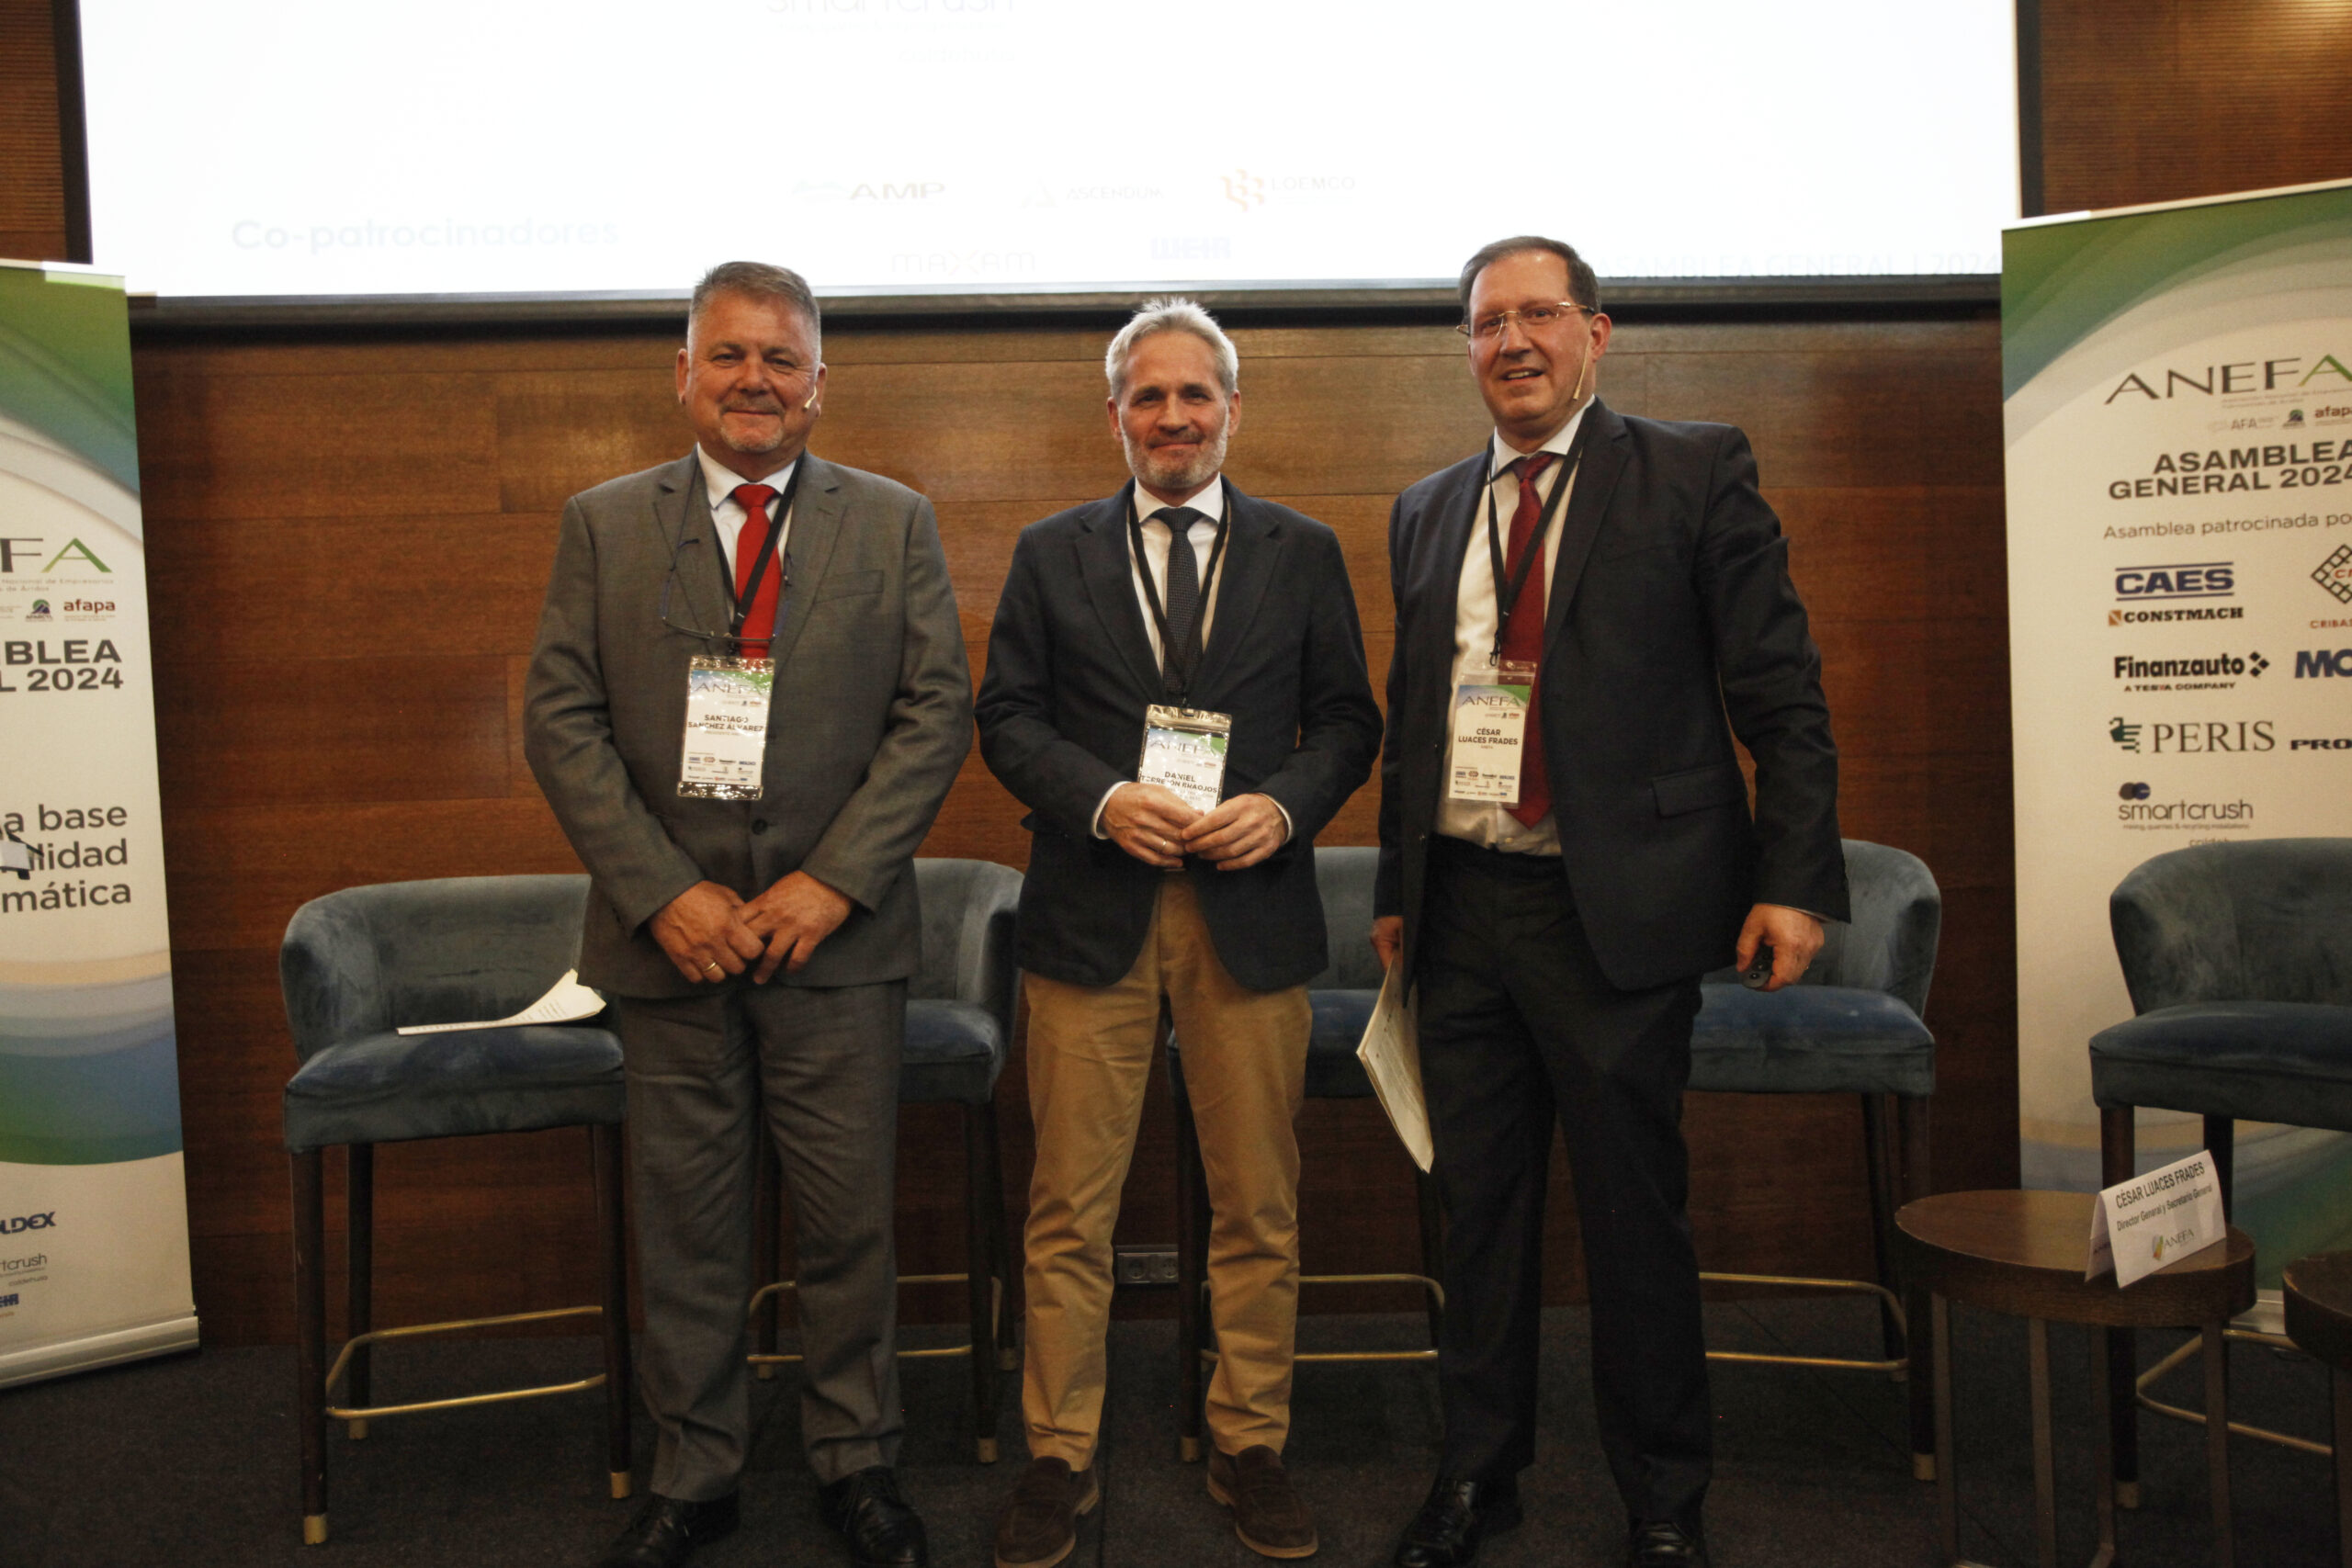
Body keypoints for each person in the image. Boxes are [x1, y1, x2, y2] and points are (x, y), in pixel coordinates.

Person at [1371, 238, 1848, 1568]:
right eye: (1488, 323)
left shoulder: (1693, 470)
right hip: (1464, 909)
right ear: (1467, 348)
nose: (1513, 341)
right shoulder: (1426, 509)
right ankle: (1479, 1476)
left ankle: (1664, 1498)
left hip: (1618, 915)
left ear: (1597, 332)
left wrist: (1792, 884)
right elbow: (1418, 715)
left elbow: (1781, 693)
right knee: (1479, 1217)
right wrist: (1402, 887)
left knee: (1635, 1220)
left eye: (1540, 314)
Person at [524, 260, 972, 1568]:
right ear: (684, 374)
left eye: (781, 358)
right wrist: (665, 893)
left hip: (838, 942)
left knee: (848, 1224)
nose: (755, 380)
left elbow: (934, 712)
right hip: (671, 947)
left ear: (820, 383)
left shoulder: (893, 521)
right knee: (690, 1227)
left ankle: (858, 1462)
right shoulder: (603, 523)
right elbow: (561, 720)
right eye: (728, 354)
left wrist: (833, 881)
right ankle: (695, 1473)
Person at [975, 299, 1383, 1567]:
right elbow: (1007, 718)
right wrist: (1102, 799)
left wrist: (1285, 806)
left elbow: (1349, 722)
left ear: (1232, 409)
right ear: (1115, 415)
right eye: (1147, 396)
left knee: (1258, 1202)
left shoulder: (1303, 550)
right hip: (1091, 913)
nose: (1172, 416)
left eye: (1193, 393)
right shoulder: (1050, 551)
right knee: (1068, 1209)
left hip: (1248, 917)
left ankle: (1250, 1440)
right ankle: (1059, 1454)